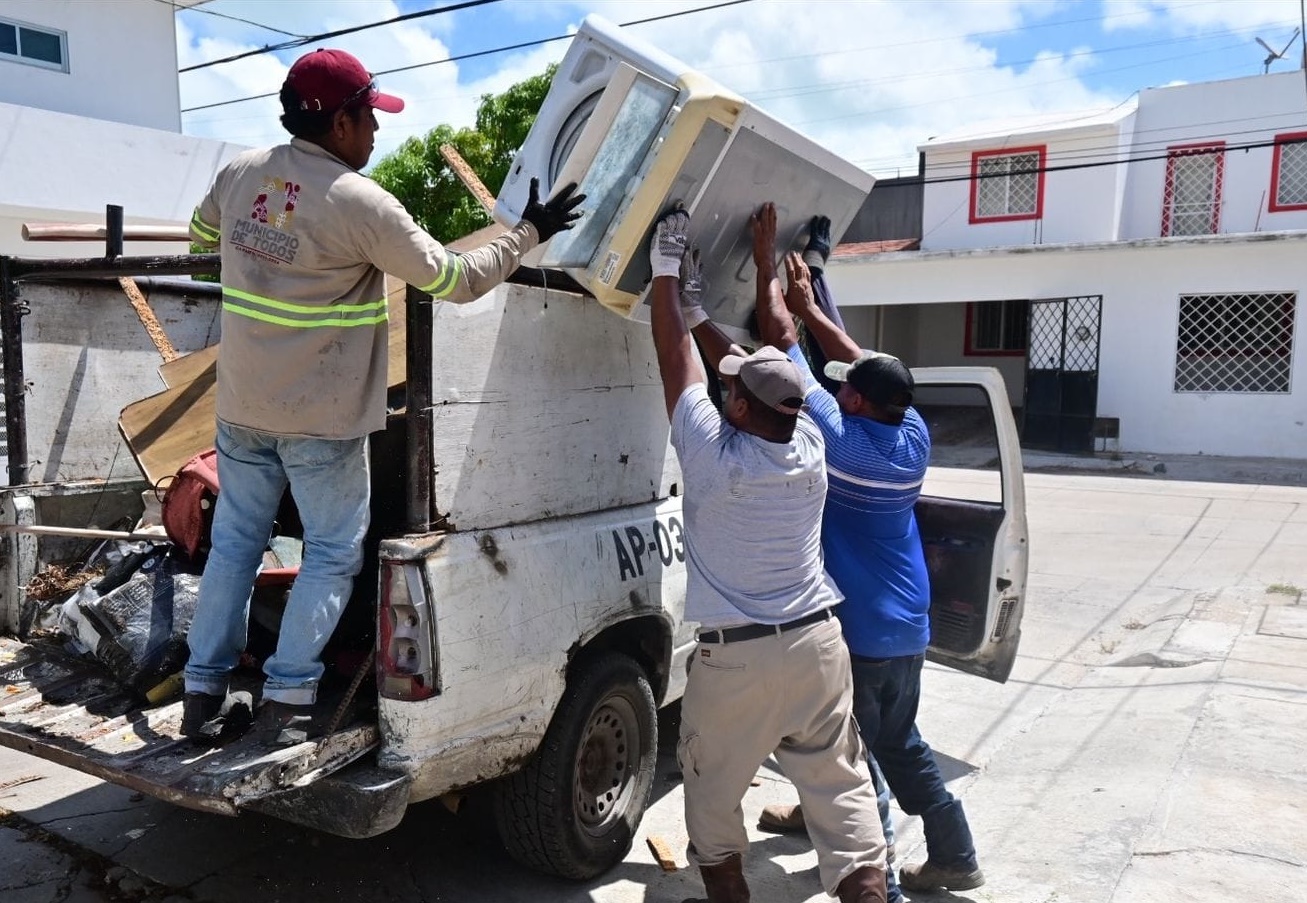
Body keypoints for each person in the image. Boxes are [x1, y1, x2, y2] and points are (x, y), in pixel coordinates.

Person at [181, 48, 584, 747]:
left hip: (242, 408)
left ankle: (201, 691)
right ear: (339, 121)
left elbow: (199, 238)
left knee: (235, 546)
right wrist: (530, 232)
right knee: (334, 552)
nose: (376, 133)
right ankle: (286, 698)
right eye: (369, 118)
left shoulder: (242, 172)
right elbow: (456, 280)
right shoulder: (359, 204)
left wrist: (259, 266)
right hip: (321, 420)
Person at [648, 203, 887, 903]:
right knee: (840, 795)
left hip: (740, 661)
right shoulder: (810, 440)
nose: (722, 391)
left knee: (713, 798)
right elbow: (772, 356)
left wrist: (664, 272)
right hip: (817, 646)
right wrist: (698, 308)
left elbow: (674, 364)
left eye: (730, 391)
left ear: (743, 410)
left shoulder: (713, 457)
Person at [751, 206, 985, 894]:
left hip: (859, 632)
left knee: (853, 756)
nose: (837, 386)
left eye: (844, 389)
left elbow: (783, 341)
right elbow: (852, 356)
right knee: (898, 740)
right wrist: (814, 294)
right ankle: (954, 851)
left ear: (854, 403)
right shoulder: (910, 432)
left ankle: (872, 875)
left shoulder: (840, 443)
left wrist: (767, 265)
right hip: (908, 625)